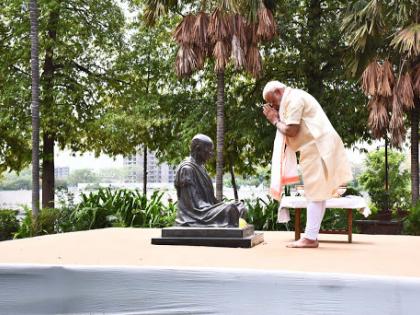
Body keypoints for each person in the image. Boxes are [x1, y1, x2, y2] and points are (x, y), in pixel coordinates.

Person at [262, 81, 352, 248]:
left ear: (278, 91)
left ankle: (310, 238)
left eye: (272, 101)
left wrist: (274, 120)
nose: (273, 106)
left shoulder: (294, 99)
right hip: (319, 144)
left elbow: (291, 130)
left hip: (317, 145)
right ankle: (311, 236)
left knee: (313, 192)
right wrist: (277, 116)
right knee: (319, 191)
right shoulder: (294, 97)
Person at [175, 134, 246, 227]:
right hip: (196, 214)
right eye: (209, 151)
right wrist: (223, 208)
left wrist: (223, 205)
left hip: (207, 209)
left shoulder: (202, 168)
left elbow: (211, 200)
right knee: (231, 210)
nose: (211, 154)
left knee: (240, 207)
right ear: (198, 149)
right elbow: (192, 204)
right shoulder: (187, 169)